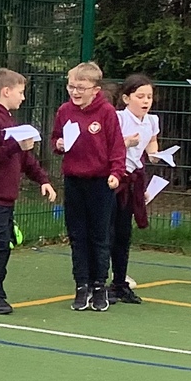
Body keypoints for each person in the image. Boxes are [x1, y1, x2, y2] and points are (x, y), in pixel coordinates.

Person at [0, 68, 57, 315]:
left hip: (4, 196)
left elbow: (25, 158)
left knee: (4, 244)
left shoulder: (8, 119)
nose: (23, 97)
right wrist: (14, 146)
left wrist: (42, 179)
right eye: (20, 92)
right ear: (6, 91)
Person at [52, 61, 126, 312]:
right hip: (74, 181)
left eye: (81, 88)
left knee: (99, 236)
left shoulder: (106, 113)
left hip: (101, 183)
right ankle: (81, 285)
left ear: (95, 90)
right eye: (71, 87)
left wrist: (116, 173)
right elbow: (55, 138)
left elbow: (117, 147)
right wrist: (58, 144)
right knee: (77, 235)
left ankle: (99, 285)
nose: (75, 92)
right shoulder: (64, 111)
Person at [111, 73, 160, 304]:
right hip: (114, 180)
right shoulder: (118, 118)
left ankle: (119, 282)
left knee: (124, 233)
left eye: (149, 96)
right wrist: (125, 143)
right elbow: (107, 146)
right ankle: (97, 280)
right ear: (126, 98)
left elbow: (151, 142)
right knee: (107, 231)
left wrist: (155, 154)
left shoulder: (152, 120)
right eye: (140, 96)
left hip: (133, 180)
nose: (146, 101)